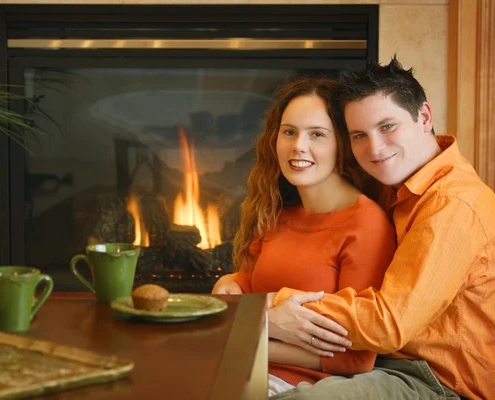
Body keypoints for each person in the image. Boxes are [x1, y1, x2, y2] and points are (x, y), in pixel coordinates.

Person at [267, 58, 495, 400]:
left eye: (387, 126)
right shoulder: (391, 181)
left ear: (424, 117)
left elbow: (390, 324)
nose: (374, 148)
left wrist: (276, 306)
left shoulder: (454, 204)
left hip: (440, 381)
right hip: (385, 364)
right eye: (359, 135)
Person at [211, 77, 396, 396]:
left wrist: (252, 334)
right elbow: (250, 284)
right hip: (237, 364)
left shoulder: (366, 225)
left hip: (292, 386)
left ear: (341, 143)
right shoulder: (278, 213)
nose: (298, 146)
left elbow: (356, 359)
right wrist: (230, 283)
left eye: (317, 135)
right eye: (289, 132)